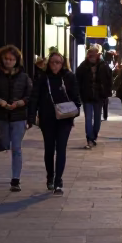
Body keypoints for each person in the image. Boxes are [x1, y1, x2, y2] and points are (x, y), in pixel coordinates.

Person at [30, 51, 81, 193]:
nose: (55, 65)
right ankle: (50, 176)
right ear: (48, 63)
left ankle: (59, 180)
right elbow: (35, 97)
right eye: (52, 62)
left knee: (61, 148)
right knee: (49, 148)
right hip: (47, 118)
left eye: (58, 62)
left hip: (64, 119)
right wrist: (32, 116)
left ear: (63, 63)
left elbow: (76, 97)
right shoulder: (42, 78)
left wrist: (74, 113)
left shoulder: (69, 77)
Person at [0, 45, 33, 192]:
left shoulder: (24, 77)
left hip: (19, 116)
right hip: (1, 116)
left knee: (16, 147)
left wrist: (21, 102)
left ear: (17, 60)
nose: (8, 61)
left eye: (11, 59)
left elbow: (30, 95)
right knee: (4, 144)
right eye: (6, 59)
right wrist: (0, 101)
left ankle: (15, 180)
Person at [76, 44, 113, 148]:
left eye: (94, 54)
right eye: (90, 54)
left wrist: (106, 93)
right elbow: (78, 80)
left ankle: (93, 136)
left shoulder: (103, 65)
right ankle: (90, 138)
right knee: (88, 119)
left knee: (97, 119)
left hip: (99, 96)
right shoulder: (83, 66)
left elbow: (109, 80)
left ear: (98, 55)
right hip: (87, 96)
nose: (92, 56)